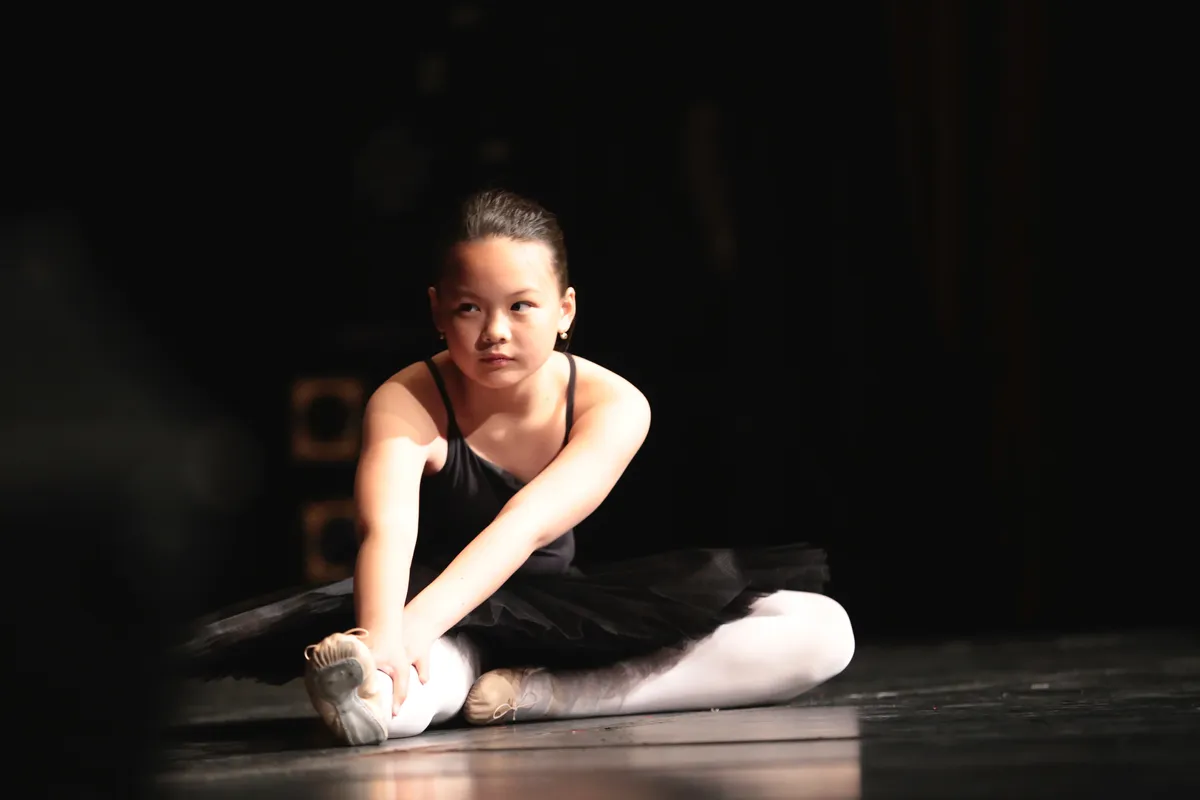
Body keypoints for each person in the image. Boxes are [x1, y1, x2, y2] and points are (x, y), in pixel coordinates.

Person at [181, 188, 856, 746]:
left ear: (565, 311)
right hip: (433, 609)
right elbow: (385, 530)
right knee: (409, 693)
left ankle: (550, 695)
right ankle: (373, 695)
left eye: (520, 306)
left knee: (824, 631)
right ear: (438, 312)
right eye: (469, 308)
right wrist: (387, 636)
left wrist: (402, 637)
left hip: (556, 608)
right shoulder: (408, 398)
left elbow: (524, 526)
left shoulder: (614, 403)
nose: (494, 332)